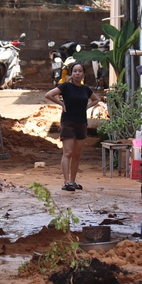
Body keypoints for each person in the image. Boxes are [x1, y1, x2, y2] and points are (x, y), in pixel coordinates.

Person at [44, 62, 100, 191]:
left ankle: (73, 181)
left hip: (81, 123)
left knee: (77, 154)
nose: (77, 73)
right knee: (68, 152)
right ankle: (66, 181)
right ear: (71, 73)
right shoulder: (66, 86)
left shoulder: (86, 89)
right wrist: (62, 104)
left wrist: (87, 107)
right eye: (75, 71)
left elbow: (96, 100)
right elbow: (48, 95)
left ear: (84, 74)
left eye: (80, 71)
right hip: (68, 122)